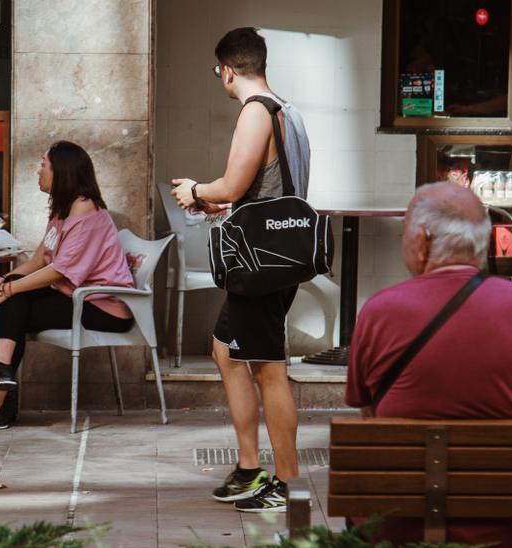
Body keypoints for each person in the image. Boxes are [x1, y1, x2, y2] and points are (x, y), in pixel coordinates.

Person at [344, 182, 512, 545]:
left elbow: (371, 416)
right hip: (510, 531)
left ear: (422, 239)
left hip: (402, 528)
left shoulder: (380, 311)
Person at [170, 27, 311, 513]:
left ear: (228, 70)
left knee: (269, 369)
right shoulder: (288, 111)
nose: (221, 79)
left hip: (262, 263)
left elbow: (232, 184)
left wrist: (195, 191)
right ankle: (250, 468)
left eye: (219, 72)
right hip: (275, 255)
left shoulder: (256, 111)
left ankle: (288, 484)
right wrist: (225, 204)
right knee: (226, 351)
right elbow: (268, 189)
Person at [0, 141, 136, 432]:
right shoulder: (63, 208)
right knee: (15, 295)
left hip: (104, 307)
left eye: (43, 164)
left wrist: (12, 289)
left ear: (61, 171)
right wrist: (7, 280)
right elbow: (41, 258)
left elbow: (59, 270)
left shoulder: (85, 209)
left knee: (16, 302)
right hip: (77, 297)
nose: (38, 170)